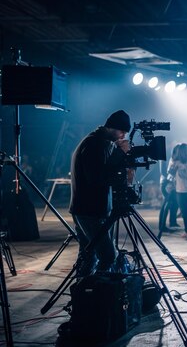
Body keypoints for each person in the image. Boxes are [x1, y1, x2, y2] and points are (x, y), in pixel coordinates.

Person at [69, 110, 131, 276]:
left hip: (87, 208)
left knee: (88, 255)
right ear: (112, 127)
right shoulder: (94, 144)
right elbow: (97, 178)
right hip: (89, 211)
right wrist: (119, 154)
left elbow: (102, 172)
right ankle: (98, 292)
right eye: (122, 131)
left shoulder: (99, 141)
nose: (123, 135)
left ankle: (84, 295)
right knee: (108, 255)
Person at [168, 143, 187, 237]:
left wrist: (182, 172)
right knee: (184, 212)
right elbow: (170, 174)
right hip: (179, 190)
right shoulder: (176, 162)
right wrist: (173, 169)